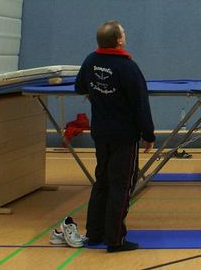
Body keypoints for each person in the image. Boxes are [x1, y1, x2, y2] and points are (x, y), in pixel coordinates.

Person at [75, 21, 155, 253]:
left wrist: (100, 96)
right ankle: (115, 239)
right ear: (119, 40)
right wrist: (148, 134)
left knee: (102, 182)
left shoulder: (90, 61)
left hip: (101, 132)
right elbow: (141, 105)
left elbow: (80, 87)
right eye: (123, 33)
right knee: (121, 185)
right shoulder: (127, 67)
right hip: (123, 135)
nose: (125, 35)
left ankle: (94, 233)